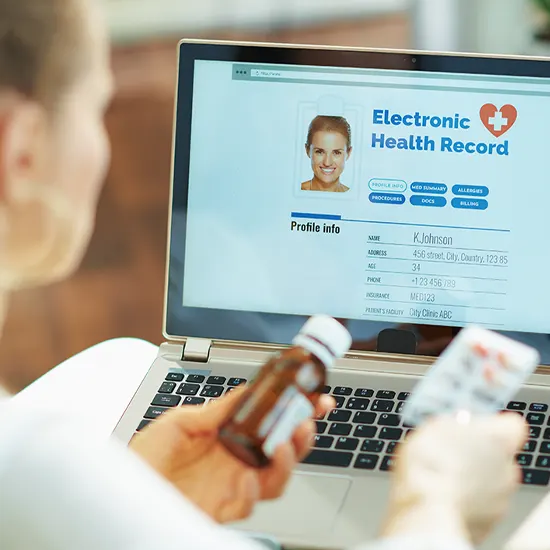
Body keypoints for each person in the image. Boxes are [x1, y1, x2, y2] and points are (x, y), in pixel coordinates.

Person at [0, 0, 529, 548]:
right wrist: (436, 503)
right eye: (95, 109)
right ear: (17, 150)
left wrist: (146, 492)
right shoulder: (33, 466)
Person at [301, 115, 352, 193]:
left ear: (348, 153)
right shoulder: (291, 193)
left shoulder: (354, 196)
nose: (327, 163)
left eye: (337, 153)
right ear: (307, 150)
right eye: (320, 152)